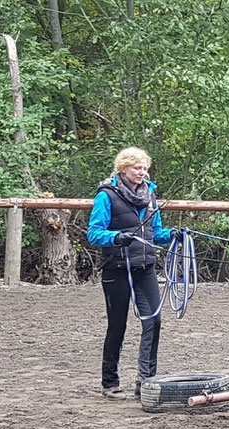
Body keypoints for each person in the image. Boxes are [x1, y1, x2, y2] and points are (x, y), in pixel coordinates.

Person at [87, 147, 177, 401]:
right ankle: (110, 382)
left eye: (145, 168)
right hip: (116, 268)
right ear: (123, 168)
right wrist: (116, 237)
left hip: (145, 267)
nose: (142, 172)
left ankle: (145, 380)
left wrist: (172, 235)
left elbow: (155, 232)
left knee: (153, 321)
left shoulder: (150, 195)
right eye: (137, 168)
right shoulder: (107, 195)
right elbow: (94, 232)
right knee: (118, 325)